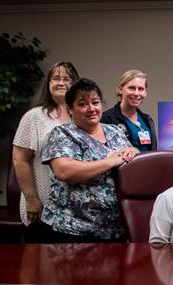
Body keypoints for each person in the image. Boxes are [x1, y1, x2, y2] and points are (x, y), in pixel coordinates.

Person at [41, 78, 139, 242]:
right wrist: (111, 161)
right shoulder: (62, 134)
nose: (91, 108)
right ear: (70, 109)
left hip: (115, 230)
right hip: (71, 230)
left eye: (95, 102)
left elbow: (131, 158)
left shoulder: (116, 131)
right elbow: (65, 171)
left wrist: (134, 151)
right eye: (82, 104)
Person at [12, 61, 79, 242]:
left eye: (67, 79)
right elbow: (20, 160)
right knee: (39, 264)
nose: (61, 83)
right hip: (42, 202)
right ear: (48, 84)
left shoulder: (82, 117)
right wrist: (31, 198)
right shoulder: (34, 117)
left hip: (76, 211)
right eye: (55, 78)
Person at [101, 69, 157, 152]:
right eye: (131, 88)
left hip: (148, 164)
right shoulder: (106, 119)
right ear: (120, 89)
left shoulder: (147, 120)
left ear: (145, 92)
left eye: (141, 89)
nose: (136, 93)